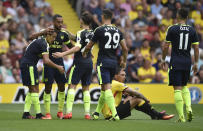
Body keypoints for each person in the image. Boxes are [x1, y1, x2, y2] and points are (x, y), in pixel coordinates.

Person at [83, 9, 128, 121]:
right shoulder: (118, 30)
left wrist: (85, 52)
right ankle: (97, 113)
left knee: (106, 88)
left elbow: (89, 46)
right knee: (104, 89)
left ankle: (115, 114)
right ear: (111, 17)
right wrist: (124, 61)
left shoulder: (99, 29)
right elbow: (125, 48)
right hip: (113, 63)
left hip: (103, 62)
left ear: (103, 17)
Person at [29, 14, 73, 119]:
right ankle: (48, 113)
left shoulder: (64, 34)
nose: (60, 24)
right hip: (48, 63)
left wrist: (83, 51)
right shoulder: (47, 32)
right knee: (48, 88)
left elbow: (72, 47)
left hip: (60, 63)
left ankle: (60, 111)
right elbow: (31, 37)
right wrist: (42, 32)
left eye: (62, 22)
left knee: (62, 87)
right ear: (53, 21)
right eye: (58, 22)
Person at [52, 12, 94, 119]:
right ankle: (87, 114)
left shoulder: (81, 32)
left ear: (82, 21)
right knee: (86, 88)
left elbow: (78, 46)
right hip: (89, 62)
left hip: (80, 62)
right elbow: (78, 39)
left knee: (72, 86)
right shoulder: (92, 33)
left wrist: (63, 53)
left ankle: (69, 112)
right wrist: (67, 32)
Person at [161, 8, 199, 122]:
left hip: (176, 61)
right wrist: (196, 63)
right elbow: (196, 49)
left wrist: (163, 59)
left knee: (177, 89)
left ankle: (182, 117)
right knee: (184, 86)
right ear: (187, 18)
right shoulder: (192, 30)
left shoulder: (172, 28)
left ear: (177, 16)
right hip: (187, 62)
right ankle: (189, 108)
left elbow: (165, 47)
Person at [20, 31, 65, 119]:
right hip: (29, 65)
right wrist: (58, 67)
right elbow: (46, 61)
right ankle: (38, 114)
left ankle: (26, 113)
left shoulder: (39, 41)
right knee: (34, 89)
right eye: (53, 37)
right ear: (48, 35)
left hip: (28, 64)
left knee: (31, 89)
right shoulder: (44, 44)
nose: (54, 39)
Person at [102, 67, 175, 120]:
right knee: (138, 99)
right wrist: (146, 99)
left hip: (109, 113)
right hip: (112, 114)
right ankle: (157, 115)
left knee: (134, 99)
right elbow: (136, 93)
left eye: (125, 75)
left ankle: (154, 114)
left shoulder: (111, 83)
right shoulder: (117, 84)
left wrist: (129, 97)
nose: (124, 77)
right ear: (115, 76)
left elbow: (130, 95)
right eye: (122, 75)